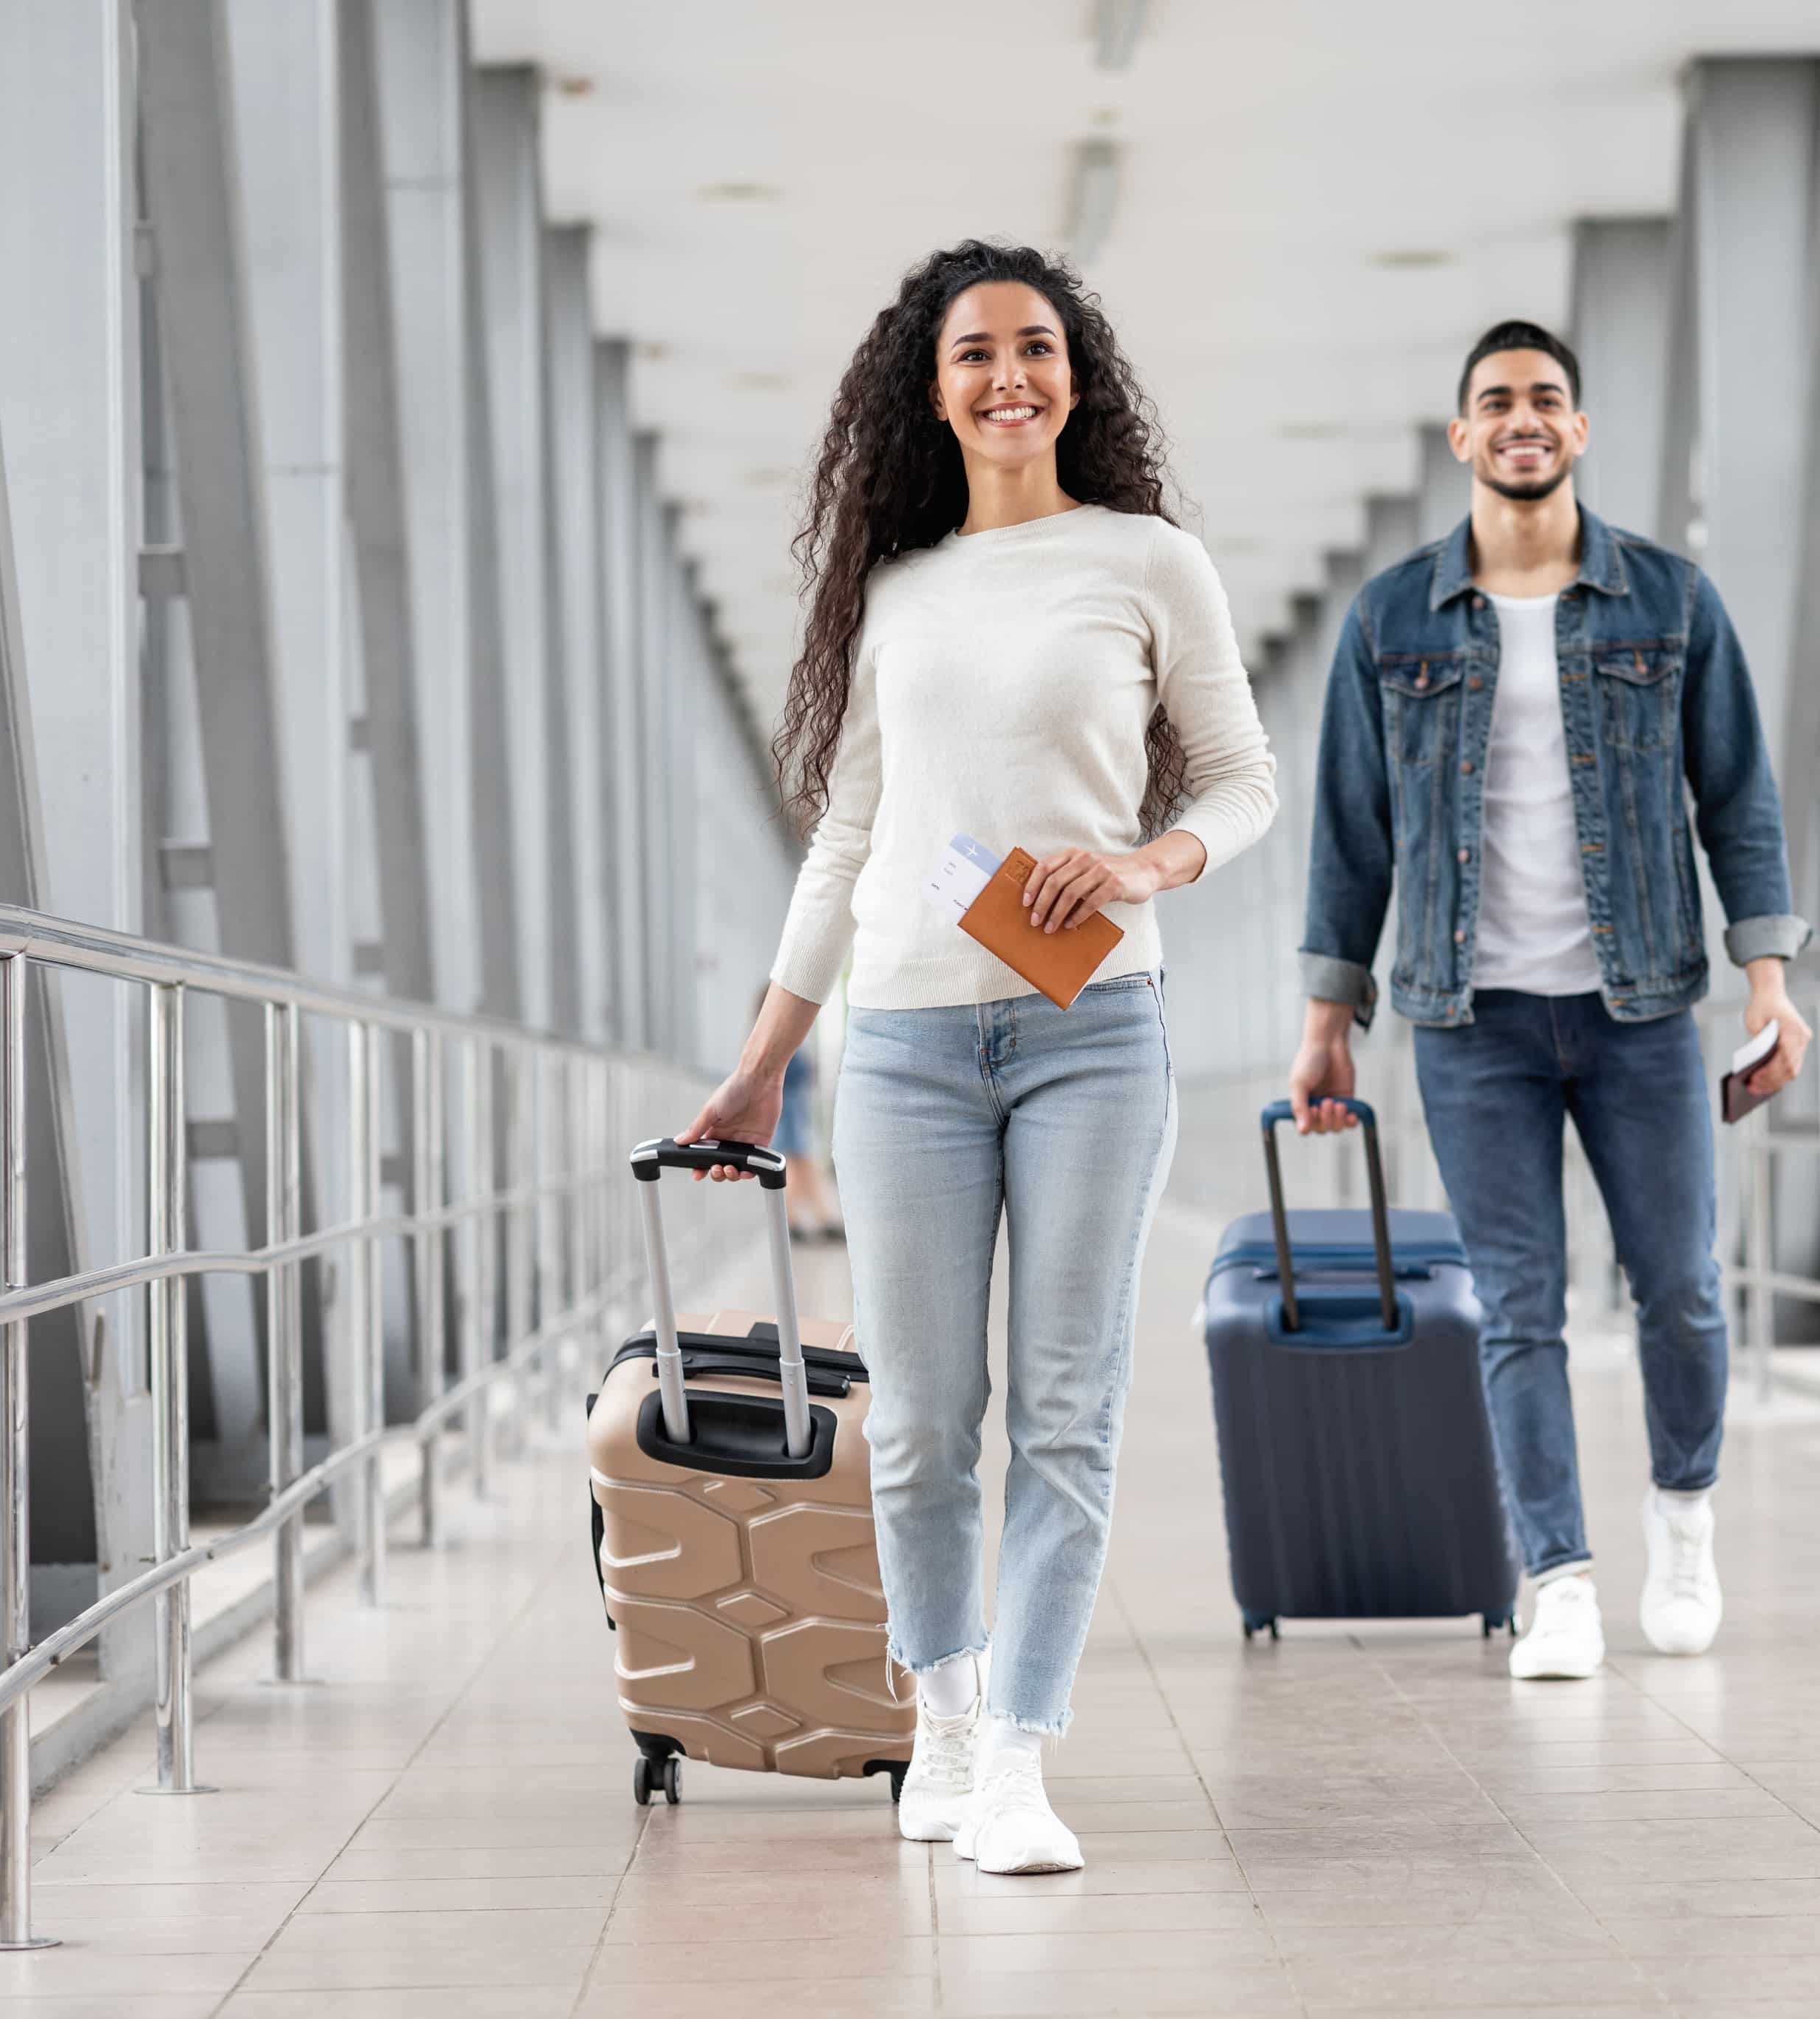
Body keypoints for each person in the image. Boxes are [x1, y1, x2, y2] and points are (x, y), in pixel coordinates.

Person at [679, 241, 1275, 1873]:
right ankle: (936, 1719)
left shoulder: (1149, 562)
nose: (1008, 375)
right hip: (908, 1044)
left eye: (1036, 346)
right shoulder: (895, 590)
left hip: (1096, 1032)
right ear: (925, 388)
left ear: (1076, 375)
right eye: (973, 354)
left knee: (1066, 1413)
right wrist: (758, 1069)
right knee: (926, 1414)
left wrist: (1152, 864)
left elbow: (1238, 778)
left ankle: (1019, 1752)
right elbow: (851, 837)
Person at [1290, 319, 1810, 1683]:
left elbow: (1738, 802)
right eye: (1496, 402)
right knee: (1518, 1305)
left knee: (1681, 1290)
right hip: (1471, 1025)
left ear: (1578, 432)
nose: (1523, 419)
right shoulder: (1391, 618)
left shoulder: (1670, 602)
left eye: (1547, 400)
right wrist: (1325, 1022)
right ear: (1461, 437)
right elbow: (1353, 836)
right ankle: (1559, 1575)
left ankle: (1683, 1519)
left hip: (1640, 1010)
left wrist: (1772, 982)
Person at [754, 984, 843, 1241]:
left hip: (790, 1111)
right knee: (799, 1164)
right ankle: (813, 1218)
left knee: (797, 1166)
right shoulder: (775, 1039)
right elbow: (793, 1073)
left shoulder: (771, 1037)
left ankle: (805, 1218)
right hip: (788, 1110)